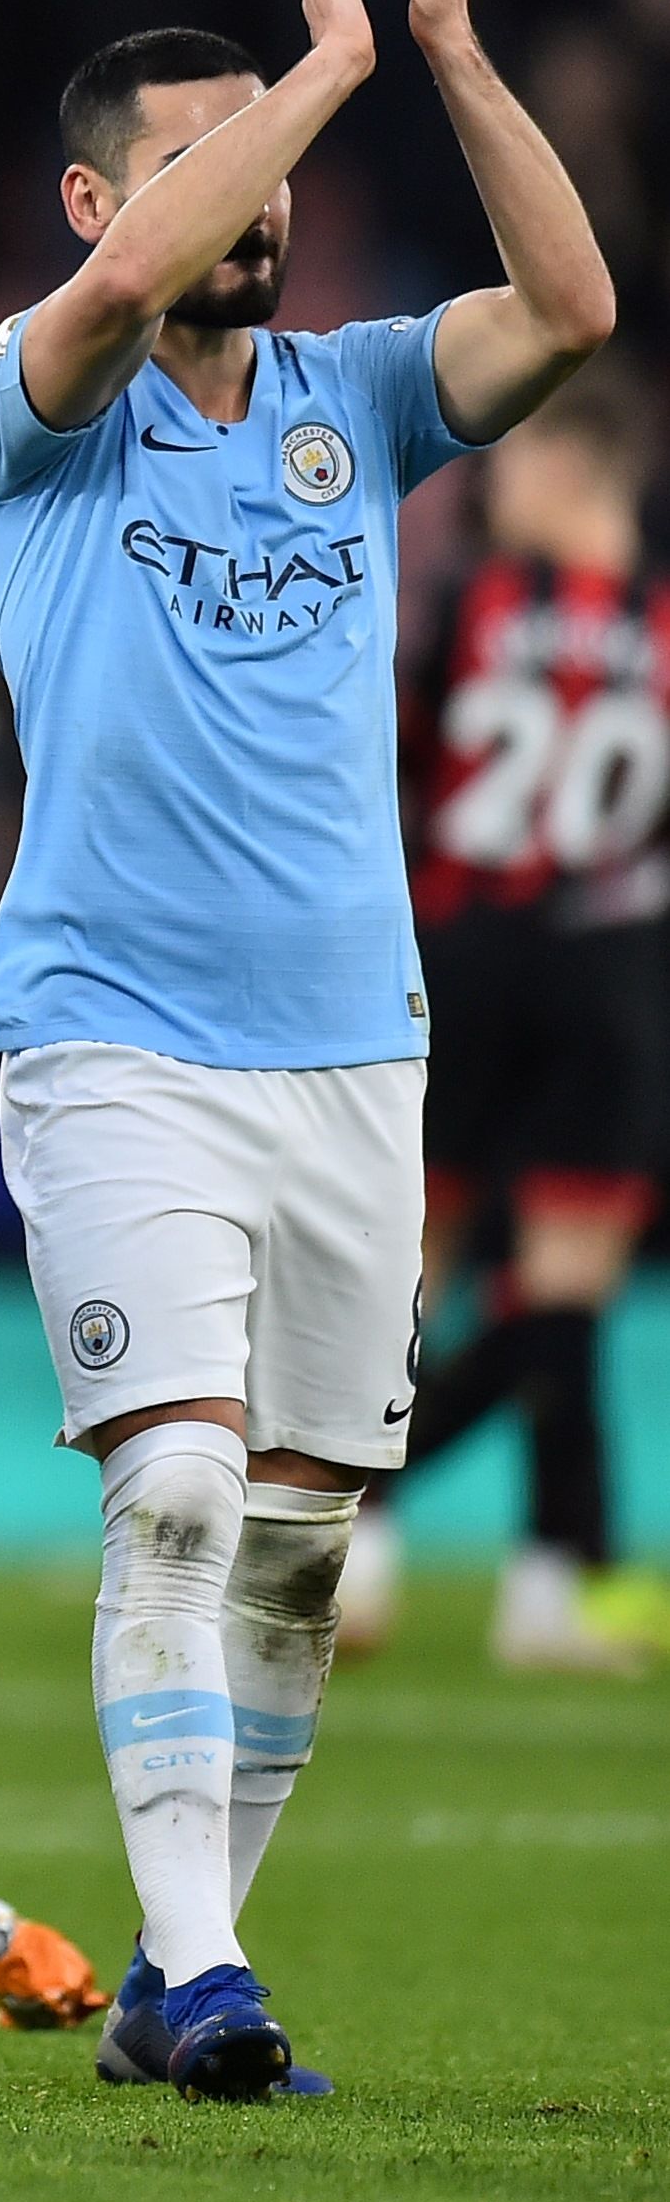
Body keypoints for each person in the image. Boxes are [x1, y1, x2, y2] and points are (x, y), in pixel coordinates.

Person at [0, 0, 609, 2101]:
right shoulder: (36, 406)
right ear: (94, 201)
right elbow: (145, 268)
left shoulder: (354, 400)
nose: (259, 203)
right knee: (171, 1488)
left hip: (353, 1049)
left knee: (298, 1547)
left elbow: (571, 310)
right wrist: (313, 76)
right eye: (200, 163)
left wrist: (440, 43)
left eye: (277, 164)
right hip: (111, 1039)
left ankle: (175, 1973)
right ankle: (204, 1963)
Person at [374, 352, 668, 1674]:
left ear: (573, 465)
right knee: (564, 1290)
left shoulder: (473, 602)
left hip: (458, 960)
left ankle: (353, 1532)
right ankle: (554, 1577)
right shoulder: (664, 623)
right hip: (610, 976)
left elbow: (397, 765)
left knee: (406, 1270)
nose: (494, 488)